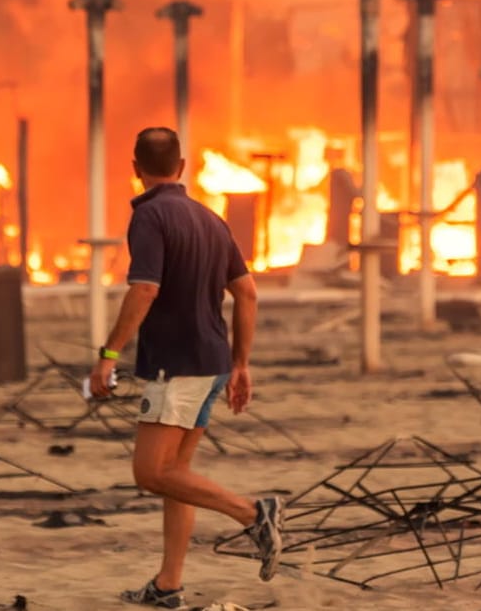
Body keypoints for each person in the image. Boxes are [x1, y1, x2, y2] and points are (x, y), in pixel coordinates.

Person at [88, 127, 282, 609]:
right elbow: (248, 292)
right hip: (212, 360)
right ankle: (168, 585)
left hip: (176, 365)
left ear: (135, 169)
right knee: (177, 473)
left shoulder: (150, 216)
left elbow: (145, 289)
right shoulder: (211, 219)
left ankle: (254, 513)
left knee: (149, 472)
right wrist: (240, 364)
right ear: (183, 166)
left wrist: (108, 354)